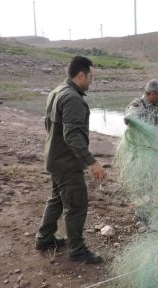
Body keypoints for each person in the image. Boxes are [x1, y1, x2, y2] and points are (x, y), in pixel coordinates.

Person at [35, 56, 106, 264]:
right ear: (81, 75)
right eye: (91, 77)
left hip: (54, 159)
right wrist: (91, 162)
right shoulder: (73, 98)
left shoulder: (57, 91)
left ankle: (44, 239)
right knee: (76, 206)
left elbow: (48, 125)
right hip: (66, 163)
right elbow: (72, 135)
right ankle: (77, 250)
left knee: (56, 199)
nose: (92, 81)